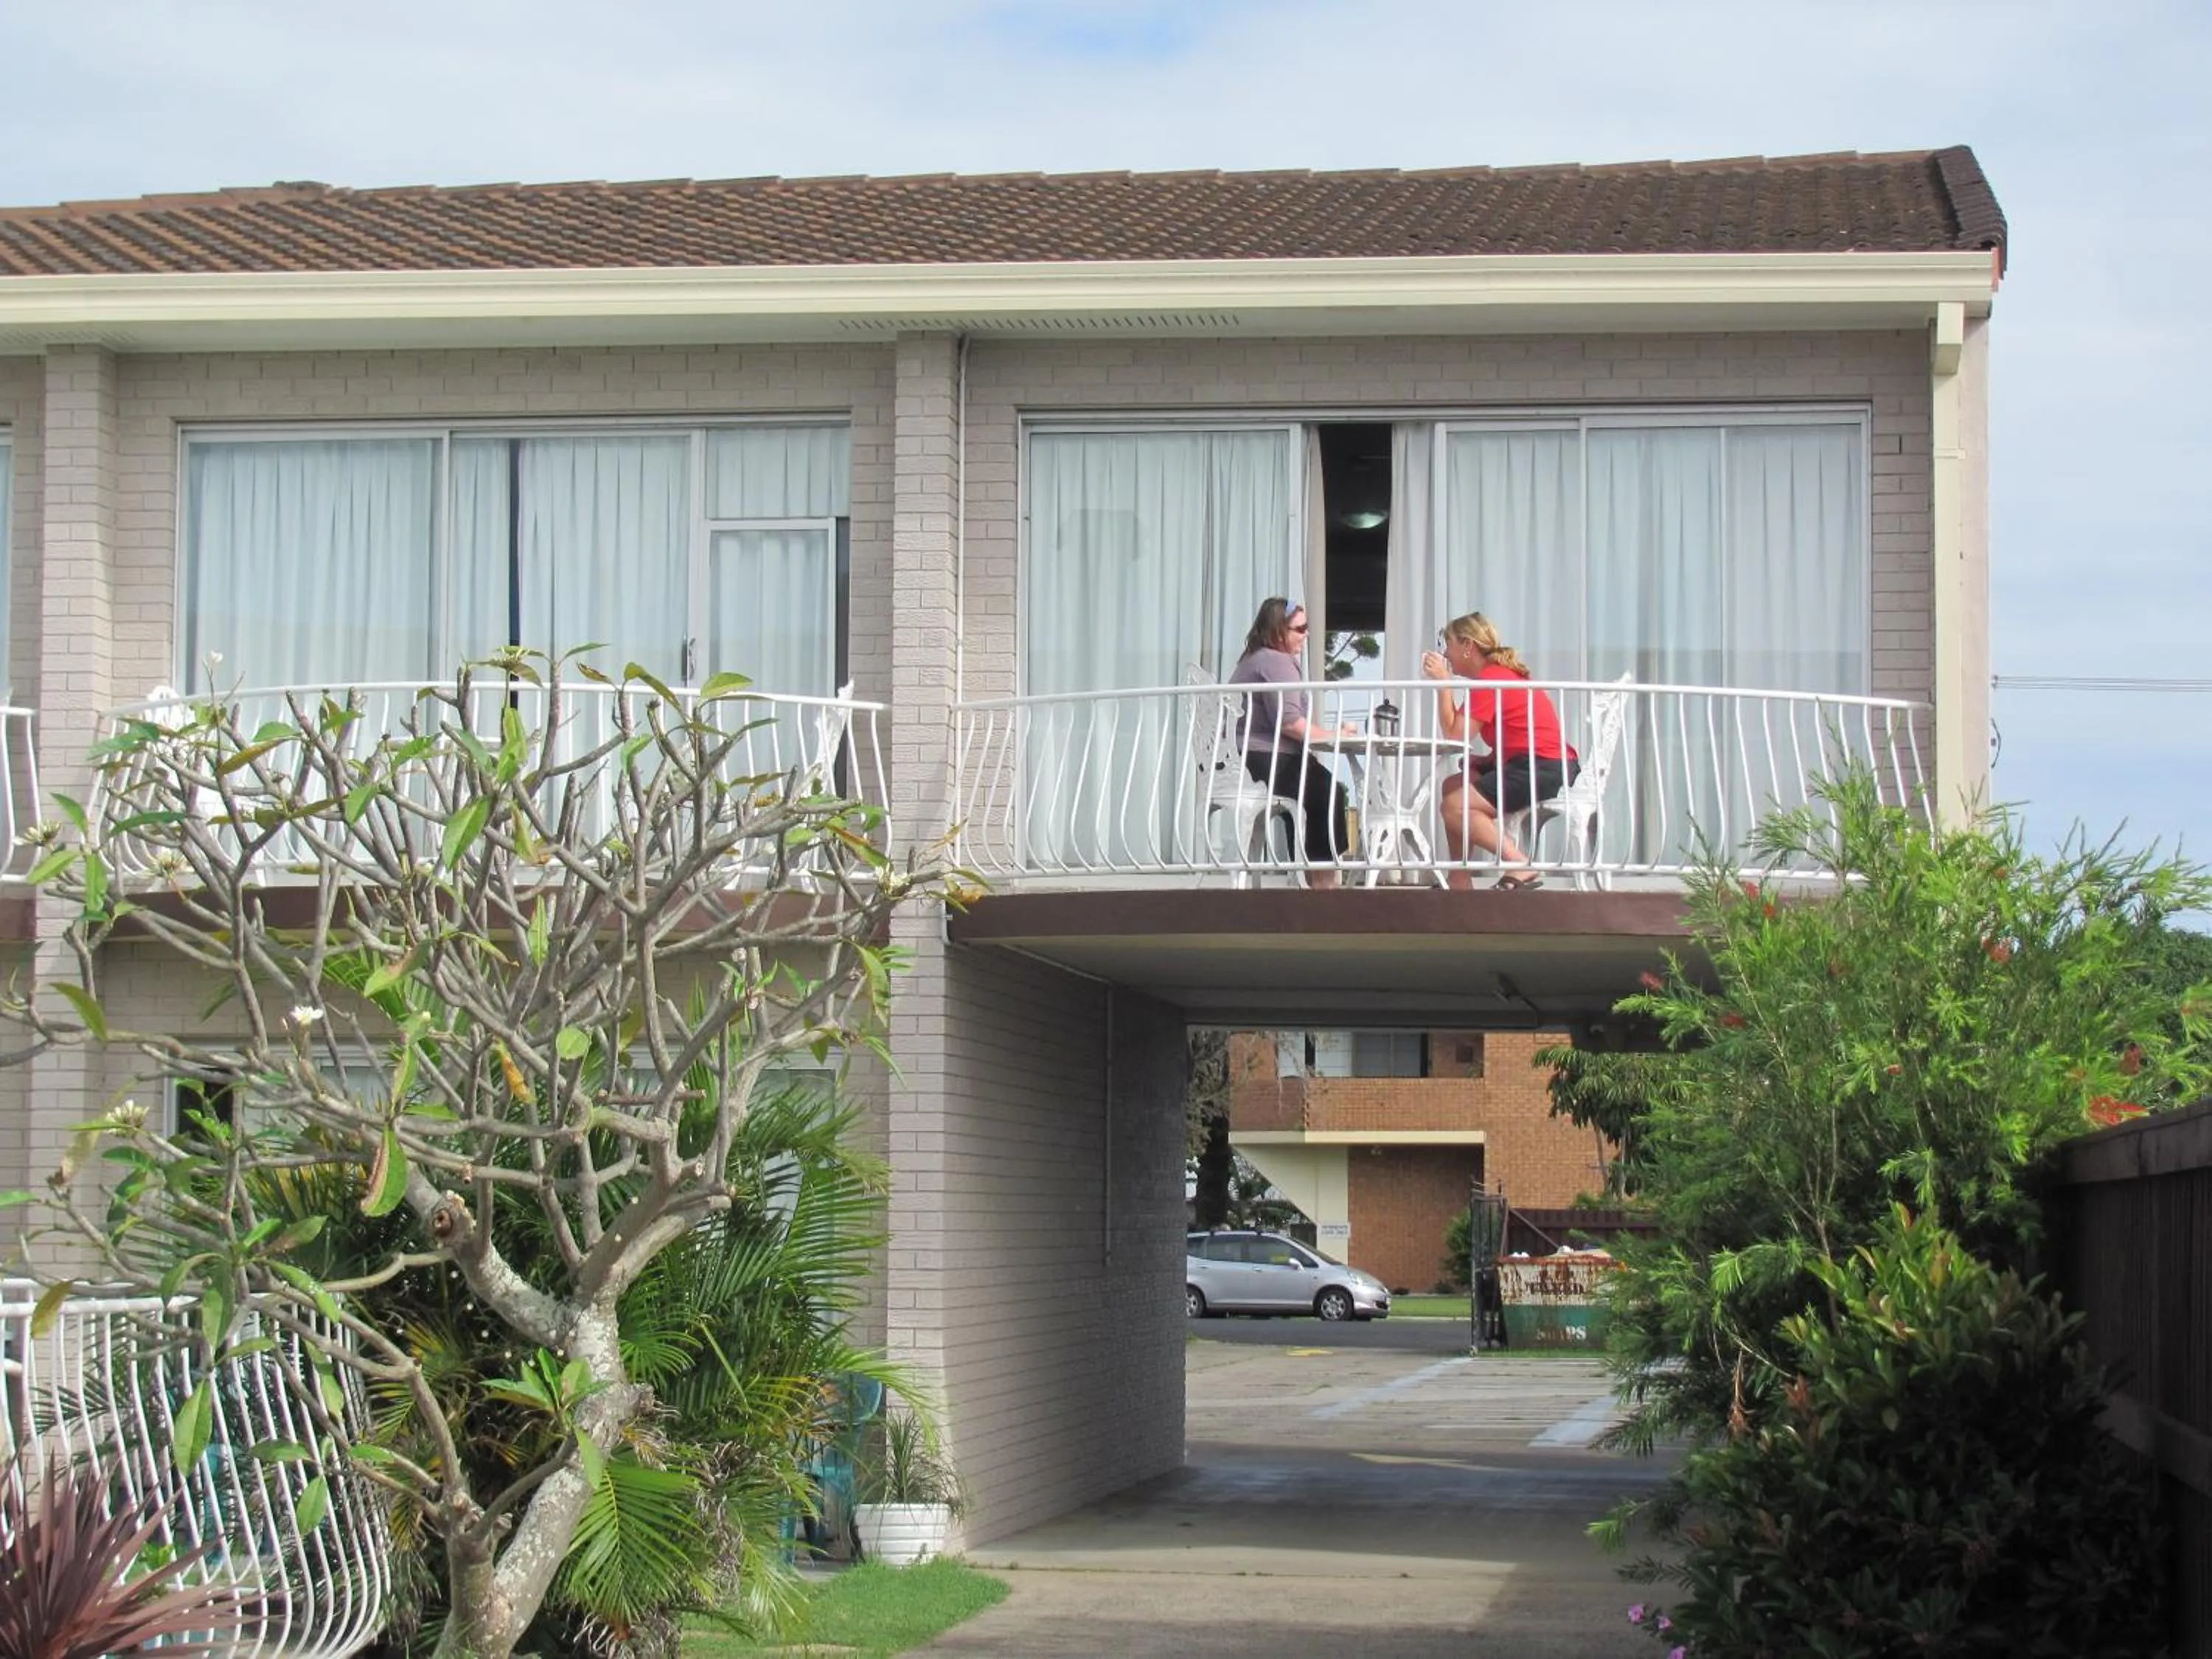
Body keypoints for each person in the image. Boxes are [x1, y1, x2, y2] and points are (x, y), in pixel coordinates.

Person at [1421, 611, 1579, 890]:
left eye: (1449, 645)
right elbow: (1516, 735)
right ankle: (1460, 877)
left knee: (1454, 806)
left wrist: (1443, 685)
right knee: (1453, 785)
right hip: (1535, 762)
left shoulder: (1491, 681)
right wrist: (1484, 762)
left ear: (1468, 646)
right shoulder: (1495, 678)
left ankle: (1519, 863)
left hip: (1543, 767)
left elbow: (1455, 734)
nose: (1446, 654)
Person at [1228, 597, 1352, 889]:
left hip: (1244, 759)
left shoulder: (1253, 658)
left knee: (1314, 790)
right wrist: (1338, 737)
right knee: (1328, 793)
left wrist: (1330, 735)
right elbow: (1290, 723)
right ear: (1278, 631)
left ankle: (1309, 881)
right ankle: (1323, 885)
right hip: (1264, 758)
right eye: (1300, 628)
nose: (1306, 634)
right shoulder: (1277, 660)